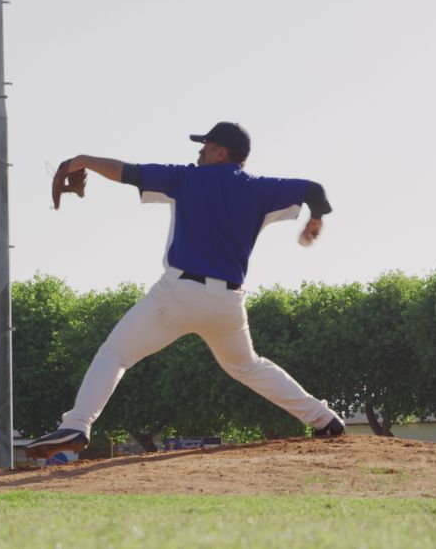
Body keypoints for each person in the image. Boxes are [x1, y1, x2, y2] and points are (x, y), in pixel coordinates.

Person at [26, 122, 345, 460]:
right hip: (226, 303)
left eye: (206, 146)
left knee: (115, 354)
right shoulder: (260, 189)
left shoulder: (186, 178)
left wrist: (83, 160)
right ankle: (325, 419)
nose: (199, 152)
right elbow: (315, 190)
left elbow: (127, 172)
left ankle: (77, 424)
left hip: (177, 295)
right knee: (248, 366)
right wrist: (316, 219)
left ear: (222, 152)